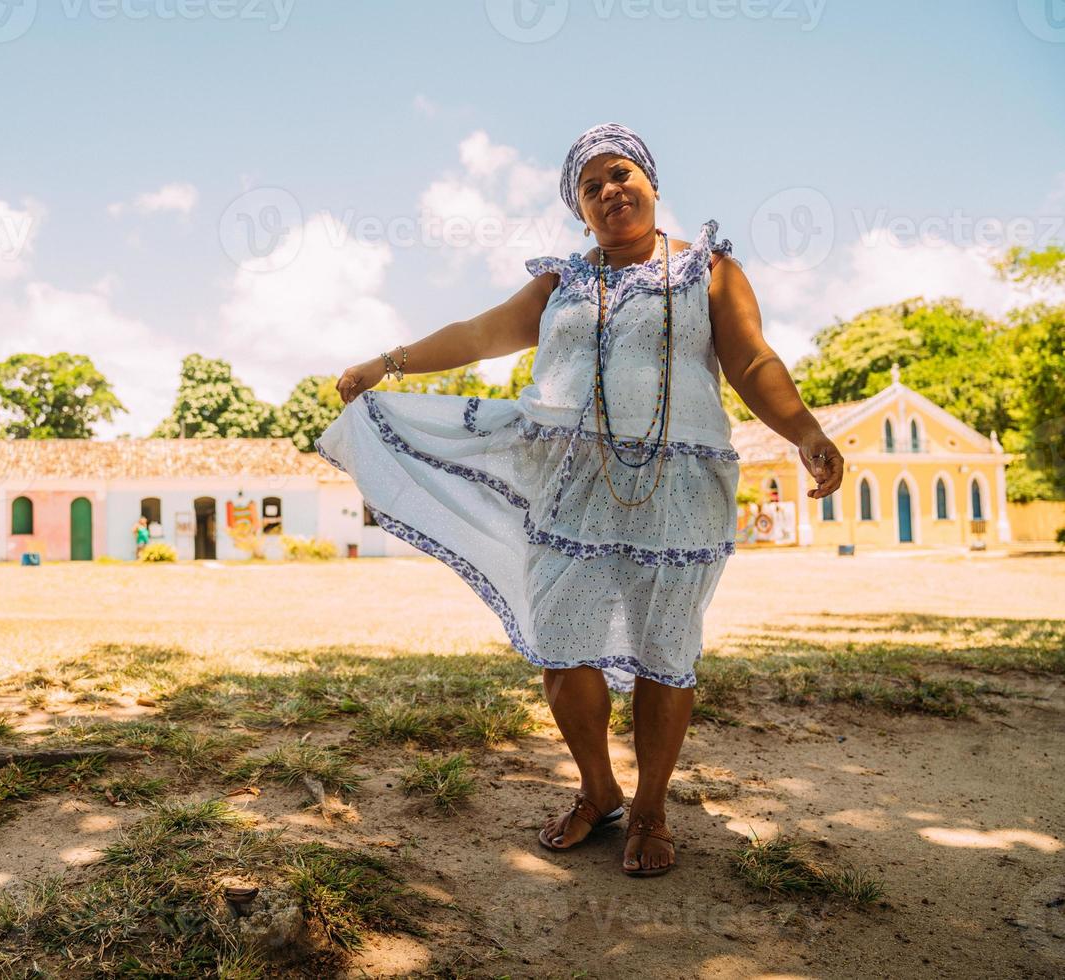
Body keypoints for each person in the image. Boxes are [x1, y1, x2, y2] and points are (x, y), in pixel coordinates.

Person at [315, 122, 843, 878]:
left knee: (666, 651)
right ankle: (599, 790)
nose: (608, 192)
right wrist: (385, 363)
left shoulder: (706, 270)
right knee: (563, 649)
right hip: (569, 487)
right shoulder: (560, 282)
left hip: (678, 489)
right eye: (589, 187)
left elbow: (753, 359)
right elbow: (477, 333)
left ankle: (652, 805)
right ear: (580, 209)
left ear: (652, 183)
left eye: (620, 174)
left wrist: (805, 430)